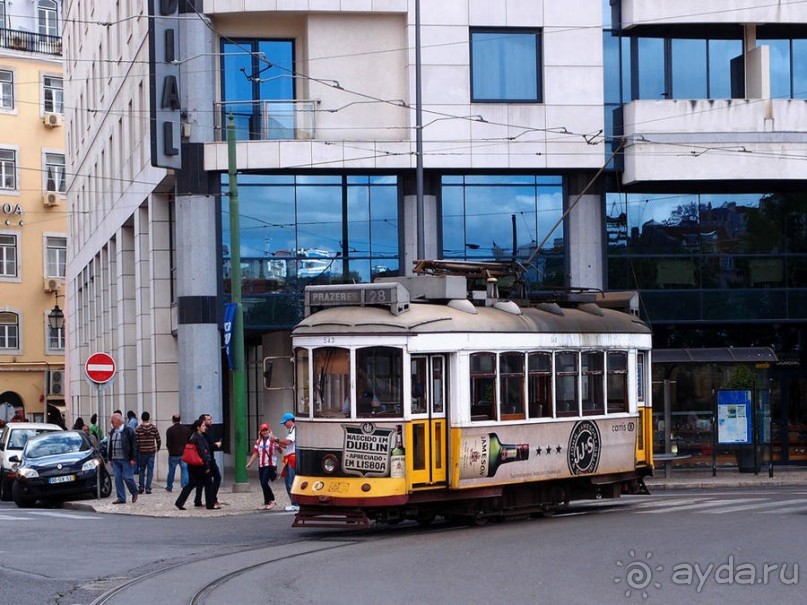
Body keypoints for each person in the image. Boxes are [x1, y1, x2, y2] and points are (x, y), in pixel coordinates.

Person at [175, 419, 220, 510]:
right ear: (198, 428)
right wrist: (207, 465)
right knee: (208, 483)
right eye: (202, 426)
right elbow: (203, 452)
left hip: (192, 464)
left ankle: (179, 502)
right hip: (200, 465)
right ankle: (210, 504)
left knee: (191, 484)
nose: (204, 427)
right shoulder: (199, 438)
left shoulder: (192, 436)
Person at [107, 413, 138, 504]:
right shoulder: (113, 431)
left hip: (125, 458)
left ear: (117, 421)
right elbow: (111, 445)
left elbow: (134, 445)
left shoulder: (128, 430)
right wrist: (110, 458)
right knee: (117, 478)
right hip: (115, 459)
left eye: (112, 421)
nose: (111, 423)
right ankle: (121, 497)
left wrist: (133, 458)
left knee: (127, 477)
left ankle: (134, 491)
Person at [245, 423, 278, 510]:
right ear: (260, 432)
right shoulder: (259, 441)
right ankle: (266, 501)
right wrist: (250, 463)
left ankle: (272, 500)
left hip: (270, 464)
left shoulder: (273, 440)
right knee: (262, 484)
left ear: (269, 430)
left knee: (264, 482)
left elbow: (280, 450)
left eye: (266, 430)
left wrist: (277, 445)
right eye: (263, 431)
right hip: (261, 464)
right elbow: (256, 453)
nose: (265, 432)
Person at [194, 413, 223, 508]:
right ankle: (211, 500)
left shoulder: (203, 433)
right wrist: (216, 445)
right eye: (208, 420)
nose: (210, 421)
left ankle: (199, 500)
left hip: (206, 459)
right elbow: (207, 448)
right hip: (208, 460)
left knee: (201, 481)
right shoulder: (202, 435)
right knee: (214, 478)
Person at [275, 413, 297, 512]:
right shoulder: (291, 430)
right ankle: (293, 503)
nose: (284, 425)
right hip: (290, 458)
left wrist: (277, 439)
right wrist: (278, 443)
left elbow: (288, 442)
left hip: (293, 458)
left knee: (290, 481)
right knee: (288, 480)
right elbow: (287, 446)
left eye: (285, 423)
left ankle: (295, 503)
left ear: (290, 421)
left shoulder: (294, 430)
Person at [135, 411, 161, 494]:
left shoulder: (138, 429)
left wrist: (137, 450)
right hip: (151, 451)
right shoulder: (153, 428)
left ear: (142, 418)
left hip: (142, 451)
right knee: (150, 470)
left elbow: (136, 441)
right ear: (149, 418)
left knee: (142, 469)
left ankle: (141, 487)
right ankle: (148, 488)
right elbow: (158, 439)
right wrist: (158, 447)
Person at [165, 413, 192, 492]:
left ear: (173, 420)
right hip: (184, 453)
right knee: (184, 470)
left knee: (171, 471)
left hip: (173, 453)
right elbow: (189, 441)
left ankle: (169, 486)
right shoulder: (186, 429)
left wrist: (170, 450)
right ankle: (185, 486)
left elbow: (168, 443)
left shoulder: (170, 430)